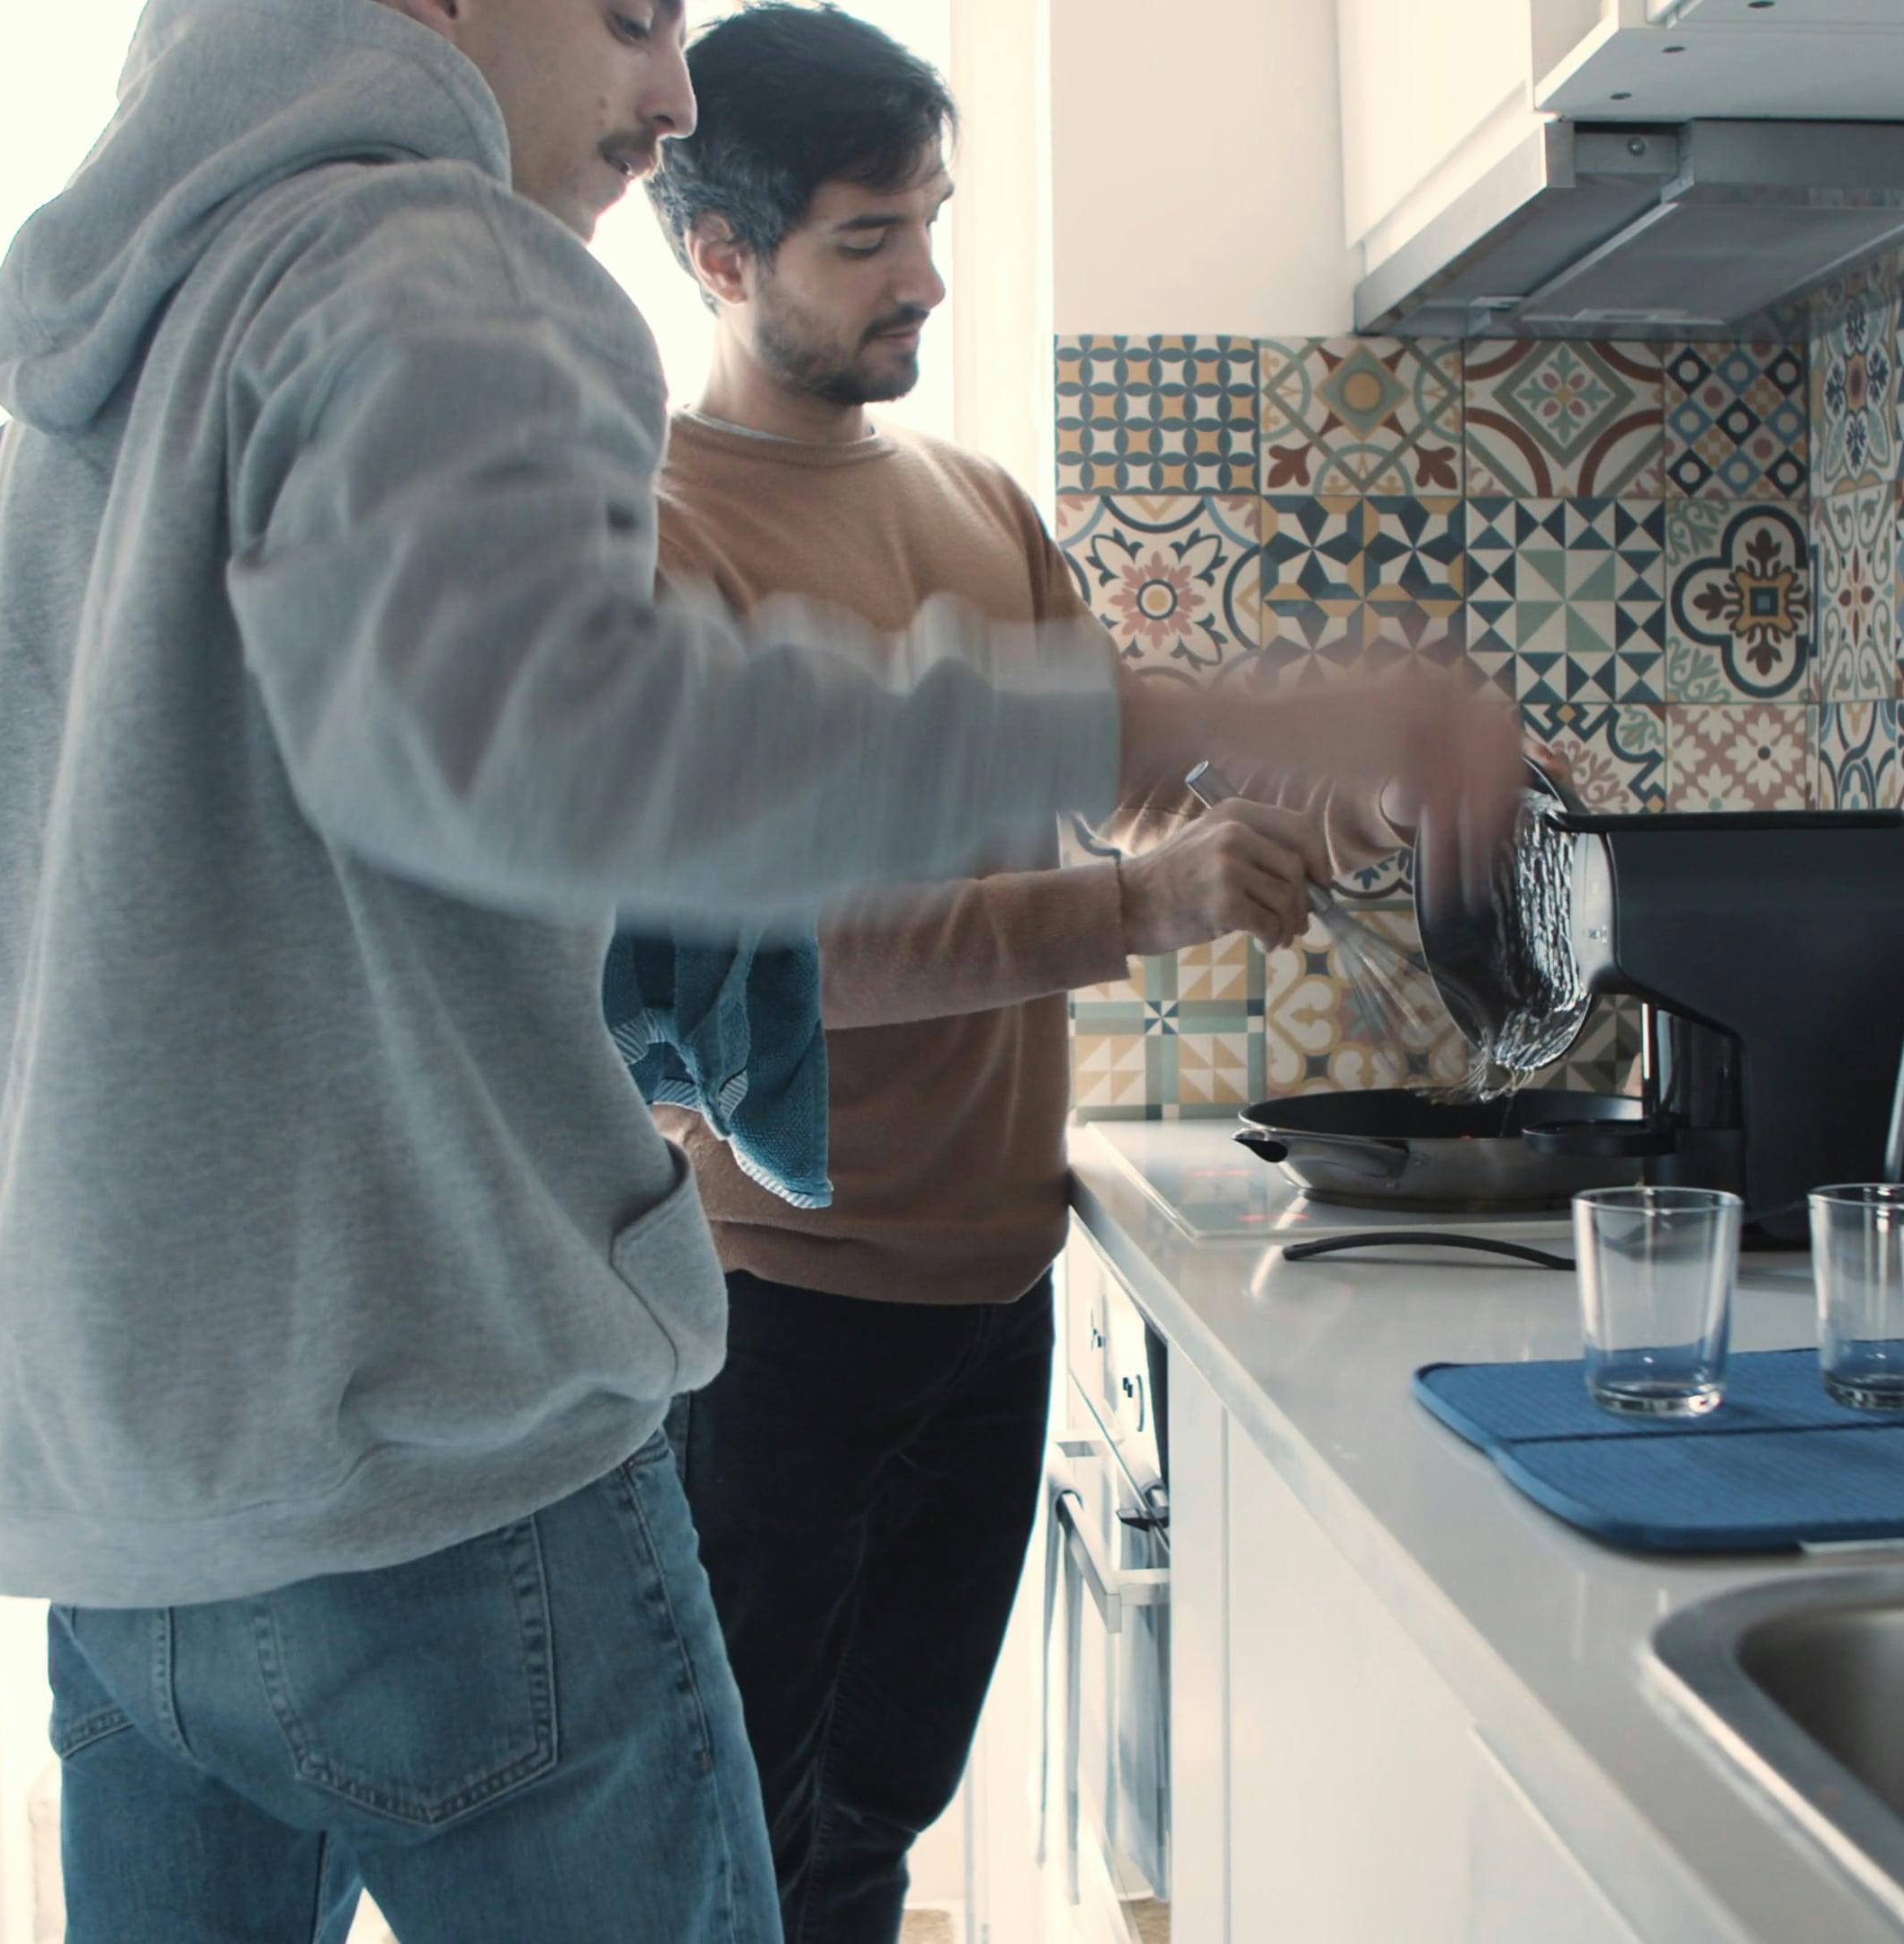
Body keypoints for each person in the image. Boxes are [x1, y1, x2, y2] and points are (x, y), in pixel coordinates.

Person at [0, 1, 1514, 1940]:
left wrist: (1296, 783)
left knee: (865, 1827)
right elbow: (597, 754)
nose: (669, 95)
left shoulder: (27, 455)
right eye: (632, 13)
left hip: (119, 1532)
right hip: (450, 1487)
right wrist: (1217, 715)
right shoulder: (433, 259)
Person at [634, 14, 1405, 1940]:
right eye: (867, 237)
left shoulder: (976, 503)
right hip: (776, 1313)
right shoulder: (657, 535)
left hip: (994, 1293)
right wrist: (1134, 911)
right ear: (722, 255)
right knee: (737, 1859)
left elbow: (1139, 774)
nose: (926, 274)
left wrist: (1339, 803)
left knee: (876, 1827)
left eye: (933, 220)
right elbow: (772, 966)